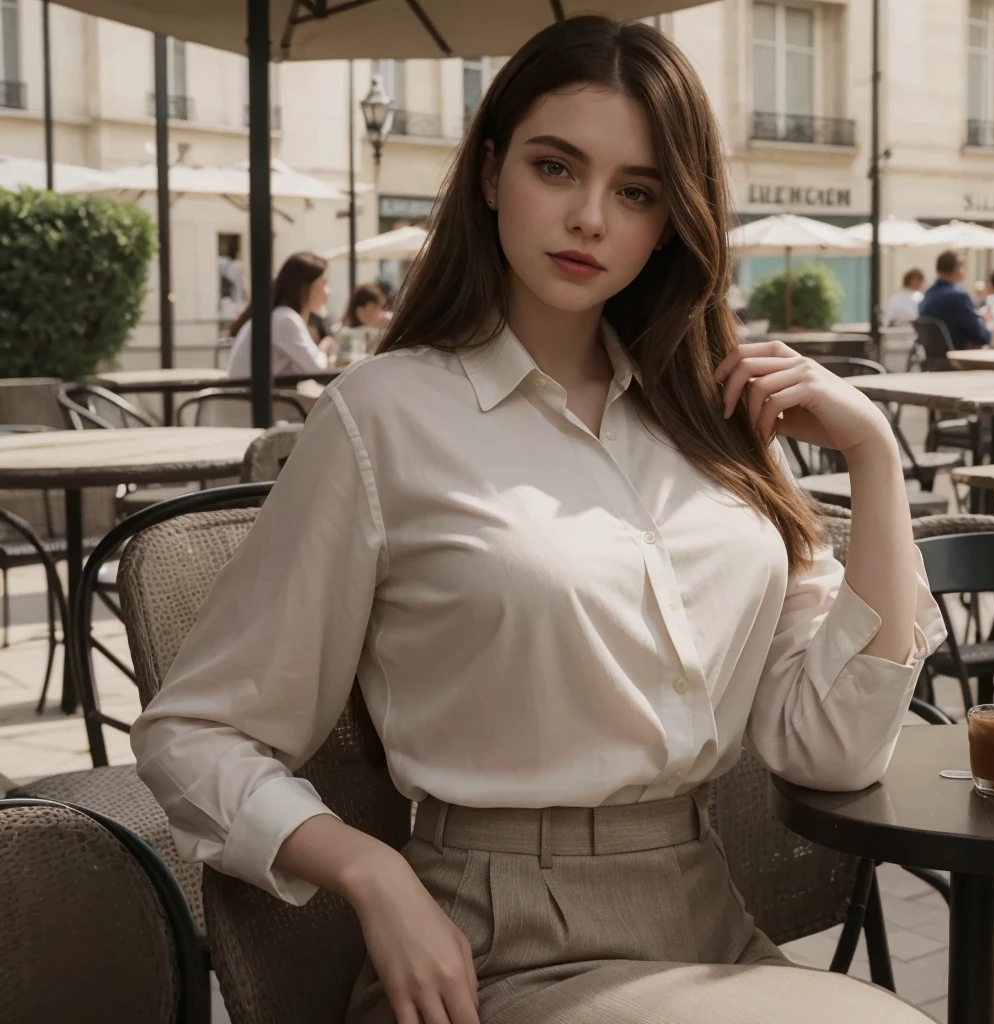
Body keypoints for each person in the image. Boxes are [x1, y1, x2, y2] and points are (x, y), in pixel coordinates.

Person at [132, 17, 944, 1024]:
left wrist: (872, 461)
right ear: (488, 173)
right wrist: (370, 872)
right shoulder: (385, 414)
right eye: (555, 167)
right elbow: (193, 733)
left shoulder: (711, 426)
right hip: (485, 947)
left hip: (705, 919)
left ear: (671, 220)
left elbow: (831, 749)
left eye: (637, 190)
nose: (590, 217)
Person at [224, 252, 335, 378]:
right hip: (249, 397)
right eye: (324, 283)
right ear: (305, 286)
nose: (328, 292)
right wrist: (325, 346)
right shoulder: (285, 319)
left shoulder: (279, 316)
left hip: (247, 395)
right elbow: (319, 370)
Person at [918, 251, 992, 349]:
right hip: (958, 358)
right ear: (958, 269)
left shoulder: (929, 294)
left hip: (932, 360)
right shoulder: (959, 296)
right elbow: (982, 336)